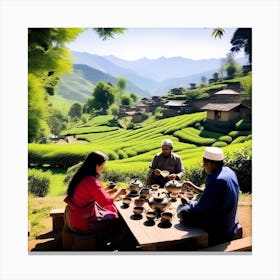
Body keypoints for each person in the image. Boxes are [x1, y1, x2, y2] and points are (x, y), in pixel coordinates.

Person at [64, 151, 134, 250]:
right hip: (82, 223)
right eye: (103, 165)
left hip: (73, 216)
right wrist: (119, 192)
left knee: (111, 213)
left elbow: (90, 194)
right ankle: (108, 245)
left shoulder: (81, 175)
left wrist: (107, 190)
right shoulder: (91, 181)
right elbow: (106, 202)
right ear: (97, 165)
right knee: (121, 222)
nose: (103, 168)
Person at [177, 146, 240, 246]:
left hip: (220, 224)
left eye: (204, 163)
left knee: (183, 211)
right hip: (229, 217)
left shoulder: (216, 180)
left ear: (212, 164)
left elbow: (199, 208)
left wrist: (188, 202)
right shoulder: (228, 172)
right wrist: (193, 187)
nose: (203, 166)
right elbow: (212, 194)